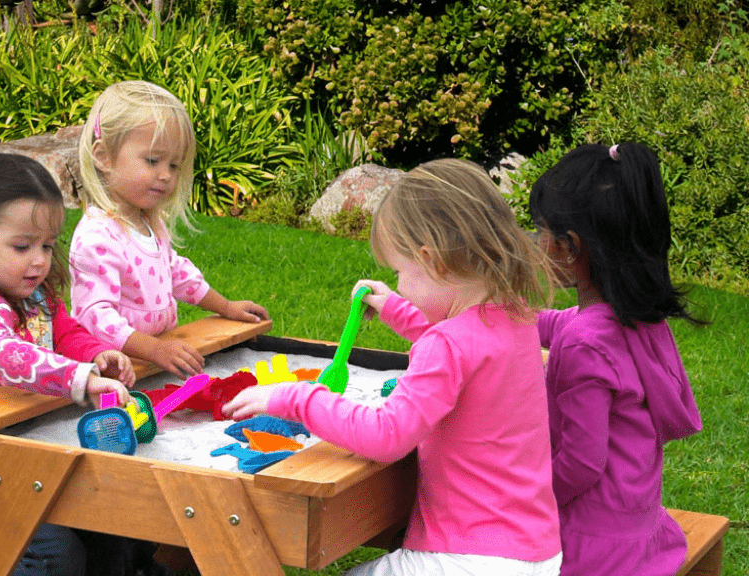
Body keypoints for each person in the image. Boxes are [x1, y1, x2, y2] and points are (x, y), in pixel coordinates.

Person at [223, 159, 563, 576]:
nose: (400, 283)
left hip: (465, 559)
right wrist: (395, 310)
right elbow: (460, 349)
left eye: (400, 272)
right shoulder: (516, 319)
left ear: (432, 260)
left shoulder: (447, 346)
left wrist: (293, 397)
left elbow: (385, 435)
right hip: (535, 552)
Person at [0, 153, 136, 576]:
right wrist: (80, 378)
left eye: (47, 246)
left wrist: (95, 353)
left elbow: (66, 331)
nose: (39, 260)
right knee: (54, 554)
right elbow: (14, 360)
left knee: (117, 519)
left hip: (34, 465)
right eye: (22, 246)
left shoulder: (33, 297)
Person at [529, 143, 702, 576]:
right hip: (637, 526)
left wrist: (526, 497)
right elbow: (552, 322)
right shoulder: (635, 315)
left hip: (590, 547)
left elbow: (581, 462)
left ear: (569, 247)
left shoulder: (584, 344)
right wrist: (487, 315)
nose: (537, 243)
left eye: (541, 232)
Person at [70, 80, 269, 378]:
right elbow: (95, 316)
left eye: (174, 166)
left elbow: (176, 272)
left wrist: (225, 307)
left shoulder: (148, 221)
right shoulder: (97, 236)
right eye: (152, 160)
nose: (165, 175)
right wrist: (154, 350)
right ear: (103, 157)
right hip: (111, 372)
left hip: (152, 361)